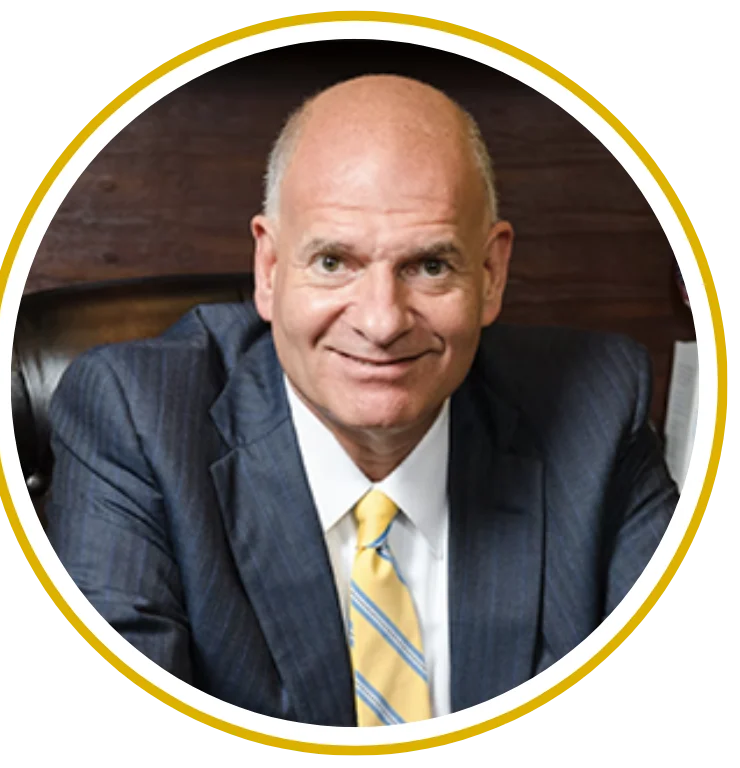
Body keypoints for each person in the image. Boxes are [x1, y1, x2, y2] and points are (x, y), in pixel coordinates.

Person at [46, 74, 678, 727]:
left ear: (491, 275)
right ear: (269, 269)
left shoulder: (597, 411)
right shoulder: (138, 420)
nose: (381, 322)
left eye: (429, 265)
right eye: (333, 262)